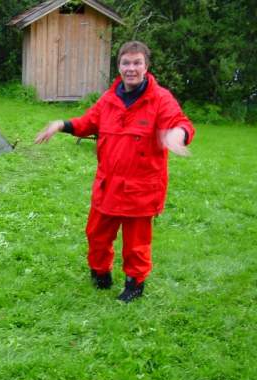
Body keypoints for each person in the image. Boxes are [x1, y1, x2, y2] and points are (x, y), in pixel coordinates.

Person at [34, 41, 195, 302]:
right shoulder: (109, 99)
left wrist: (178, 135)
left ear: (146, 66)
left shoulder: (160, 98)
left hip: (141, 189)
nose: (131, 68)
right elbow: (87, 122)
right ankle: (100, 273)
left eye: (137, 63)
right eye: (126, 63)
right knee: (96, 234)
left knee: (136, 243)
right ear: (119, 66)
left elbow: (180, 122)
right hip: (108, 185)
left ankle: (135, 284)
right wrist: (61, 124)